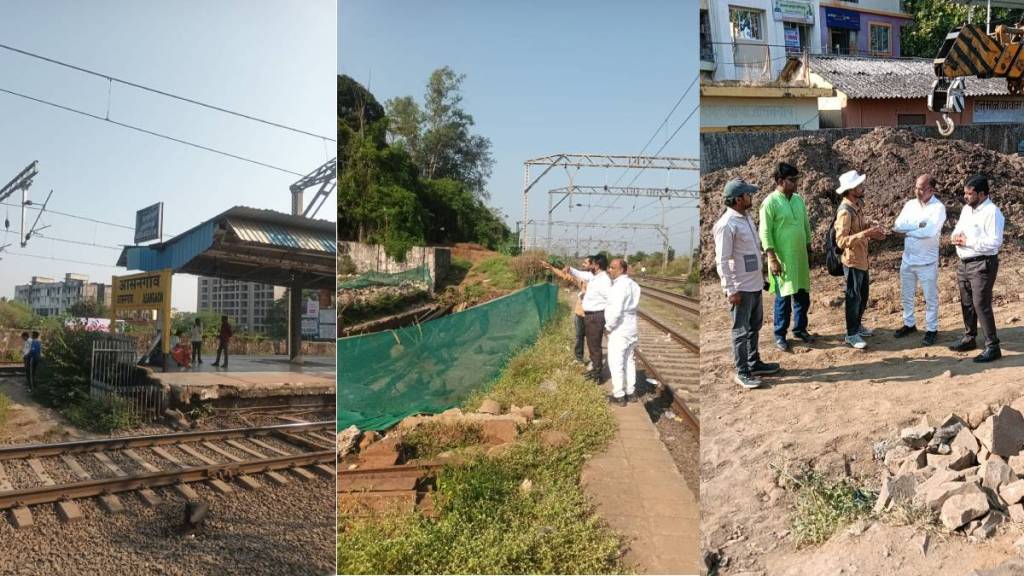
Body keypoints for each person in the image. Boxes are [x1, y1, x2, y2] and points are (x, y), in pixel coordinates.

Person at [713, 178, 779, 389]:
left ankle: (754, 362)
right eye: (748, 194)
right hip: (740, 287)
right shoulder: (726, 225)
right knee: (740, 331)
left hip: (754, 284)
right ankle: (742, 372)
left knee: (754, 327)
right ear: (738, 199)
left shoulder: (747, 218)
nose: (751, 197)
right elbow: (722, 260)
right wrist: (730, 289)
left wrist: (762, 279)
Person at [949, 174, 1004, 363]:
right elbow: (958, 230)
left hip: (983, 263)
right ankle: (969, 338)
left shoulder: (993, 213)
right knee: (967, 303)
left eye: (969, 193)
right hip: (964, 263)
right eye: (965, 193)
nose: (965, 196)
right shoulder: (967, 209)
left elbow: (995, 243)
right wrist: (955, 237)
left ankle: (992, 346)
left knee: (981, 304)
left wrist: (968, 241)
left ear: (981, 194)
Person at [759, 162, 813, 352]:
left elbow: (805, 225)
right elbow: (765, 233)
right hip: (782, 260)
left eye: (797, 179)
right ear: (780, 181)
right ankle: (780, 334)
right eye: (792, 180)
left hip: (799, 257)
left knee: (802, 296)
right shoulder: (770, 202)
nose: (796, 183)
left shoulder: (798, 199)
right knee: (783, 299)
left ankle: (800, 329)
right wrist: (771, 258)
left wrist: (808, 246)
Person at [834, 170, 887, 349]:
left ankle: (857, 326)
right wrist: (866, 233)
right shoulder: (845, 211)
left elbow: (857, 230)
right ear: (850, 190)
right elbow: (841, 241)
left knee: (863, 296)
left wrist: (869, 227)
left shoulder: (857, 206)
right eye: (859, 186)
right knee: (853, 298)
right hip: (852, 261)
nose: (862, 187)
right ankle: (851, 334)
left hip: (862, 259)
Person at [892, 174, 947, 346]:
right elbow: (898, 225)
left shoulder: (938, 209)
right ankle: (909, 323)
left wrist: (908, 231)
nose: (917, 191)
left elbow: (929, 232)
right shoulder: (910, 205)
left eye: (921, 188)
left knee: (930, 297)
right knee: (906, 295)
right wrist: (917, 227)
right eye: (916, 187)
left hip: (927, 262)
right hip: (908, 259)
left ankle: (932, 329)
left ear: (931, 189)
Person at [568, 254, 612, 382]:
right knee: (592, 344)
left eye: (591, 263)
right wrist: (570, 268)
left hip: (596, 315)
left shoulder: (604, 280)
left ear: (597, 265)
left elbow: (610, 300)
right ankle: (594, 369)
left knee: (595, 345)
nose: (589, 265)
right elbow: (581, 274)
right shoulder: (596, 277)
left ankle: (598, 374)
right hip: (590, 315)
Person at [541, 257, 591, 367]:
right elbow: (564, 275)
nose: (583, 264)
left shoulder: (599, 280)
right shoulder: (580, 278)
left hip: (592, 314)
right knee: (579, 336)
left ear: (594, 265)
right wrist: (550, 267)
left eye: (585, 263)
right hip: (580, 312)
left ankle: (594, 361)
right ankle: (579, 359)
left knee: (592, 338)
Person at [605, 258, 641, 406]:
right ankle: (631, 391)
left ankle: (619, 394)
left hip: (620, 328)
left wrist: (608, 327)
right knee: (629, 360)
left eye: (613, 268)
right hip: (631, 326)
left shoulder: (619, 287)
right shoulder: (634, 285)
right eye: (610, 267)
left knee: (616, 361)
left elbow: (616, 310)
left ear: (621, 270)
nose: (609, 270)